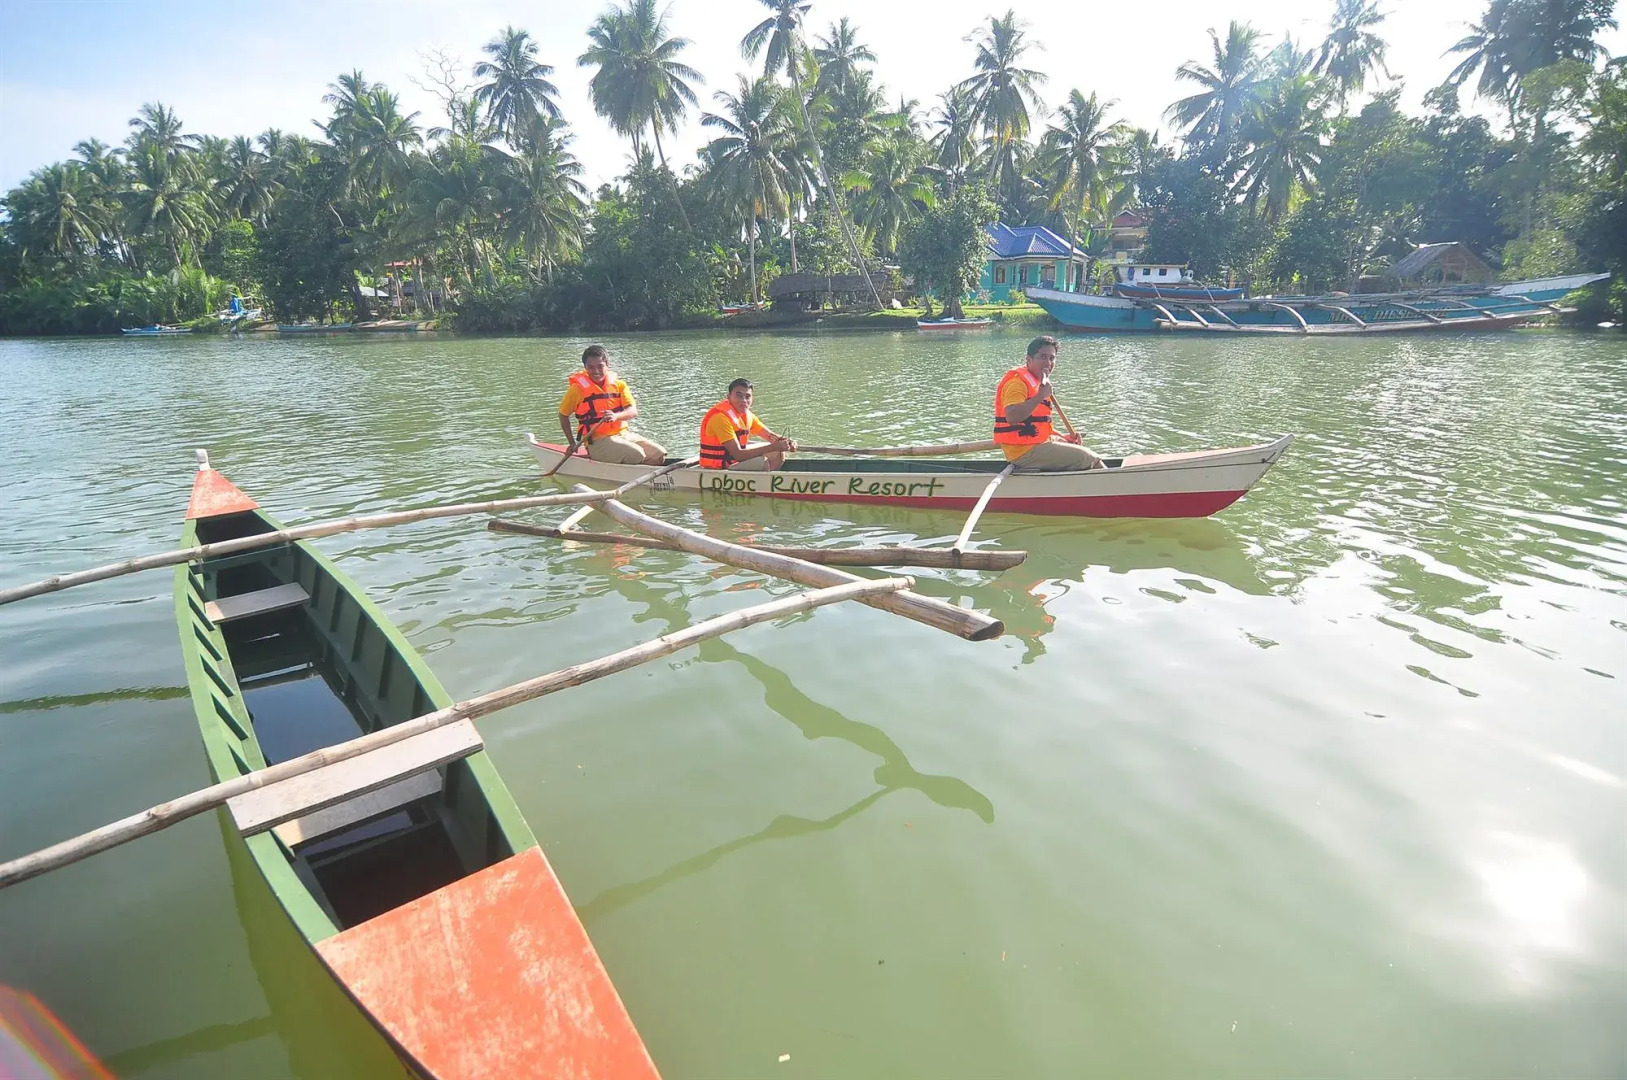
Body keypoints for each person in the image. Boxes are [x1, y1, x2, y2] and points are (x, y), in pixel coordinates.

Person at [994, 335, 1103, 471]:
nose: (1048, 362)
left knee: (1078, 448)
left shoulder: (1039, 383)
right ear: (1028, 360)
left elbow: (1040, 426)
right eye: (1043, 357)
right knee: (1089, 458)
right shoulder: (1017, 383)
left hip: (1036, 445)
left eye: (1052, 358)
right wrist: (1040, 396)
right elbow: (1012, 417)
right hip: (1023, 452)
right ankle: (1115, 486)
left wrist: (1063, 438)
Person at [557, 345, 668, 465]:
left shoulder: (619, 385)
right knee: (637, 454)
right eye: (591, 367)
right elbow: (563, 415)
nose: (596, 371)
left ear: (607, 364)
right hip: (597, 441)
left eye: (600, 366)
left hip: (623, 435)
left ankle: (640, 475)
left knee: (659, 454)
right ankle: (631, 472)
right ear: (585, 367)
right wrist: (572, 443)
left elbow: (632, 411)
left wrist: (615, 416)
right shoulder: (577, 390)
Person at [699, 378, 796, 471]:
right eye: (739, 395)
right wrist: (774, 447)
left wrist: (788, 442)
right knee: (762, 461)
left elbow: (772, 437)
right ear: (729, 397)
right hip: (719, 468)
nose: (744, 400)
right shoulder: (720, 418)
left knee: (777, 453)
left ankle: (769, 483)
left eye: (747, 396)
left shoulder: (748, 416)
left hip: (734, 462)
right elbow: (738, 454)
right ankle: (766, 484)